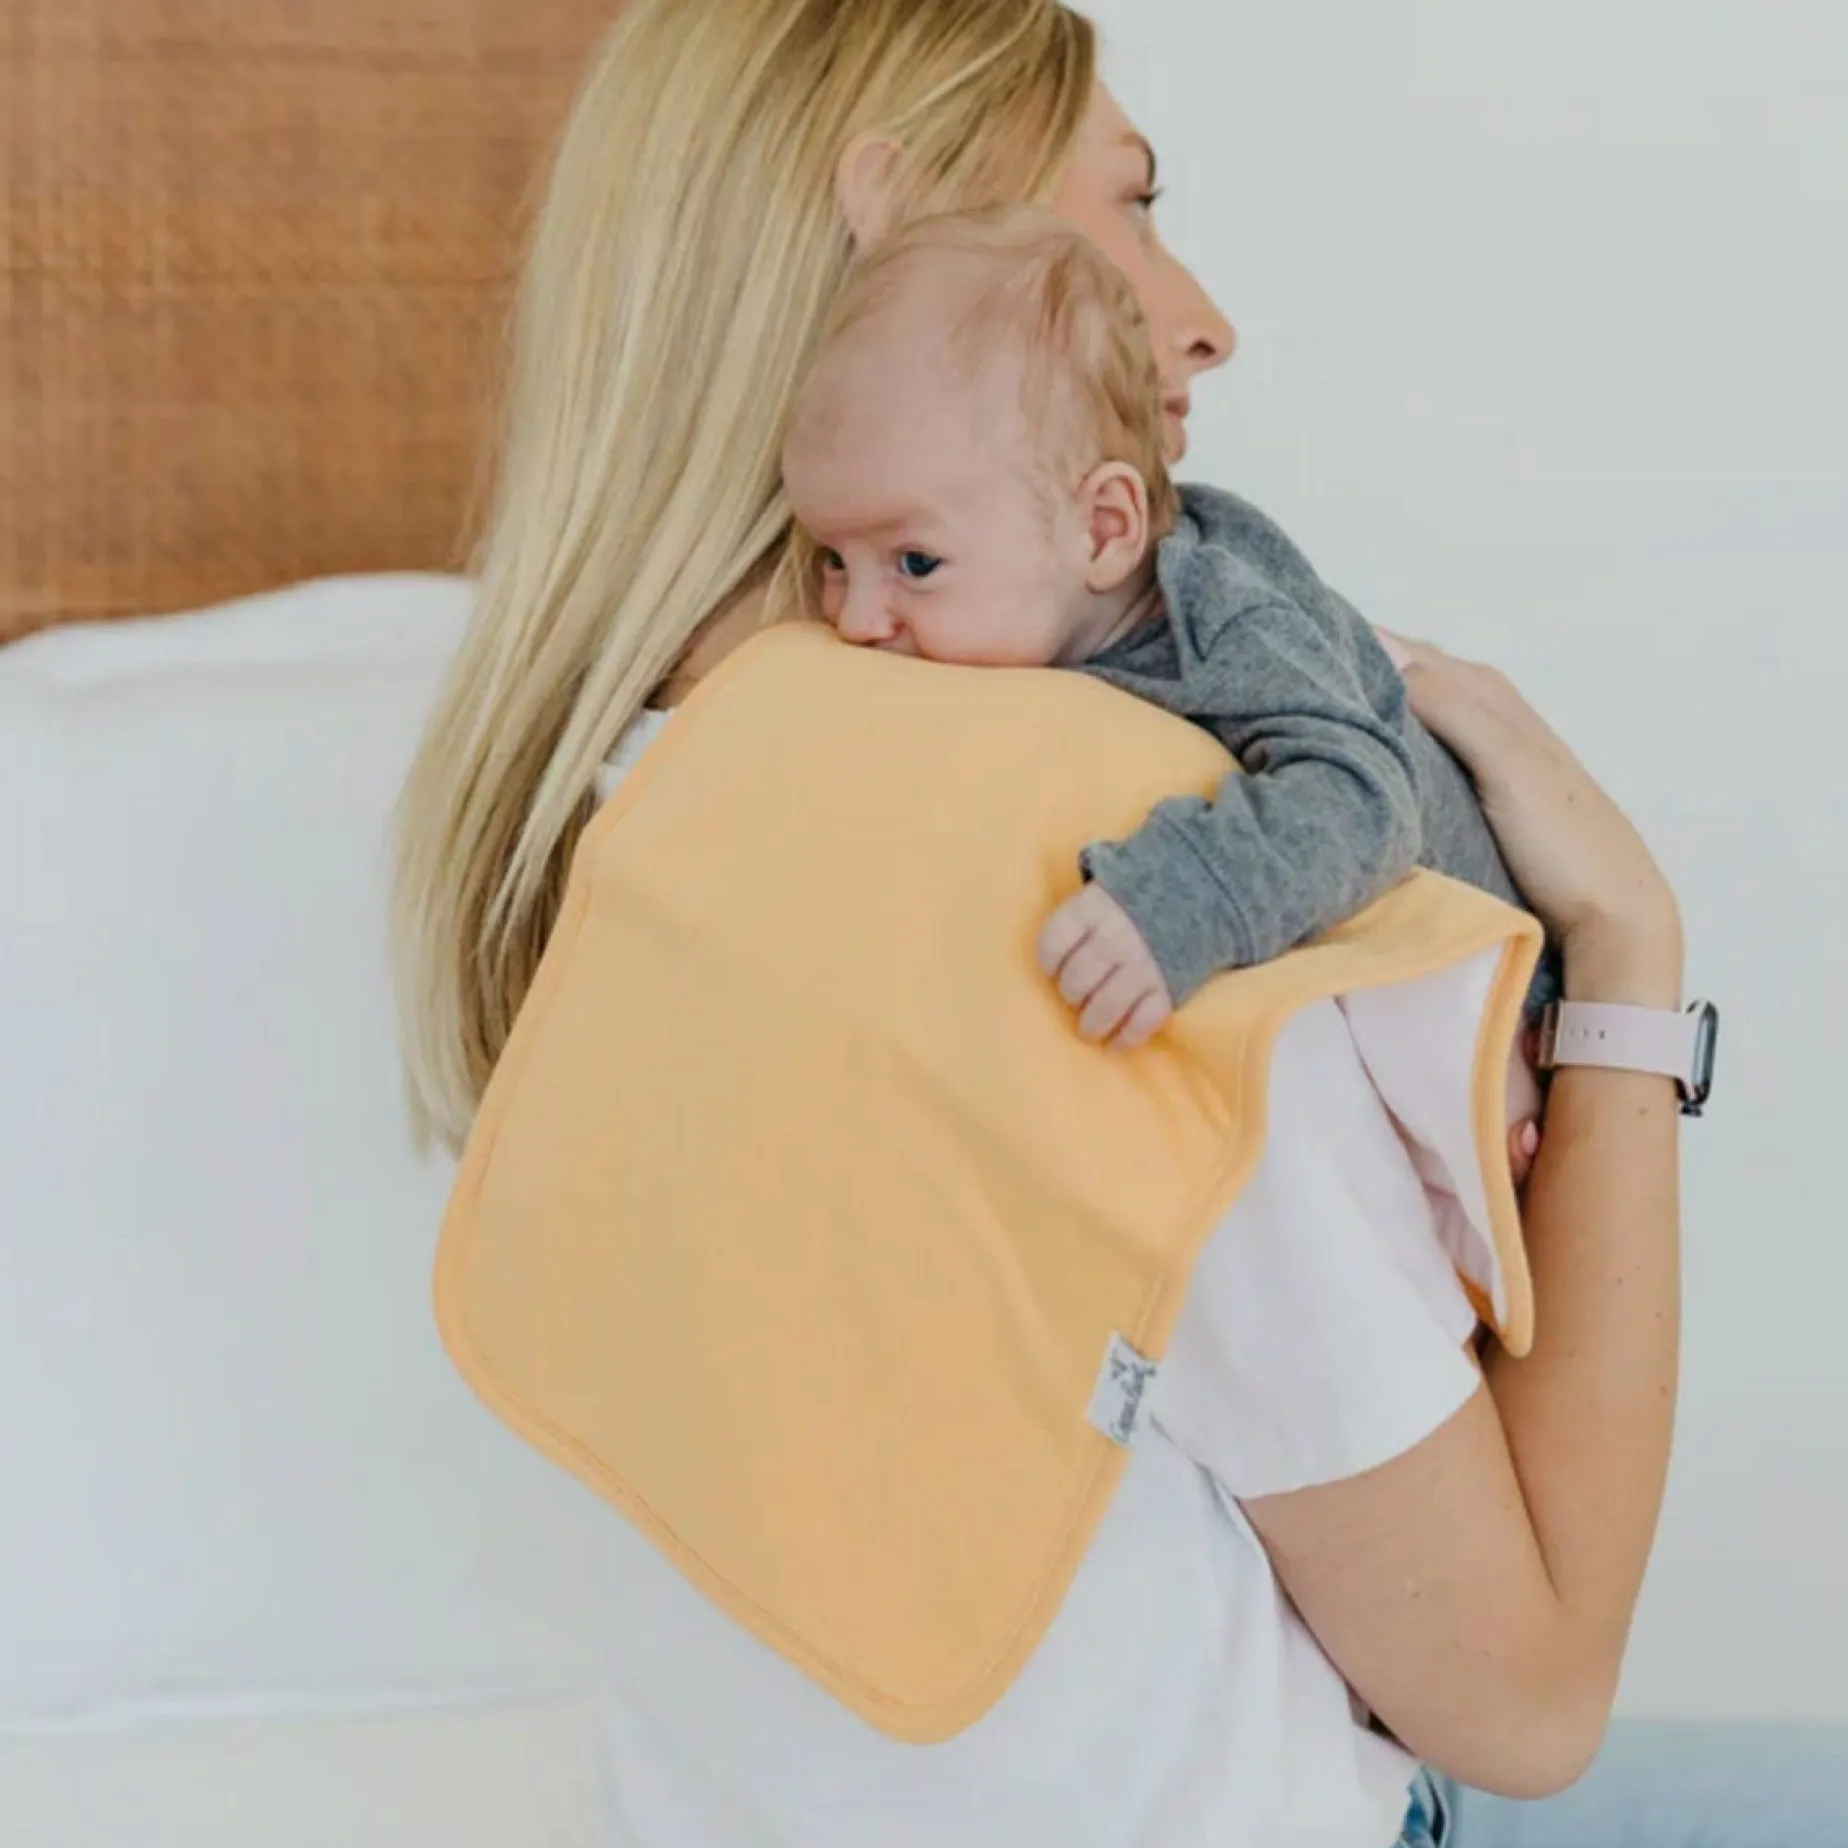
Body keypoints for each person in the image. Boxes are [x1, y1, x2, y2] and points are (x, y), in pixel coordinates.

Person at [392, 2, 1840, 1842]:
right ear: (902, 227)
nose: (1202, 317)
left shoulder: (638, 815)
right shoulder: (1127, 894)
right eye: (1133, 205)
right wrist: (1628, 952)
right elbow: (1525, 1701)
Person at [779, 203, 1549, 1178]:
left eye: (915, 562)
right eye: (833, 561)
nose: (855, 619)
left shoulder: (1217, 615)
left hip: (1511, 1013)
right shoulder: (1021, 602)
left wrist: (1183, 900)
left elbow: (1364, 799)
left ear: (1104, 530)